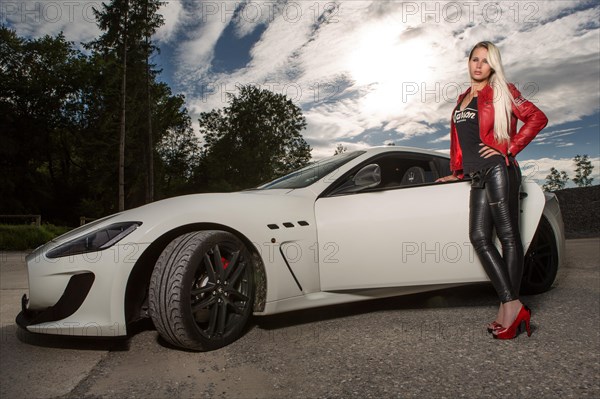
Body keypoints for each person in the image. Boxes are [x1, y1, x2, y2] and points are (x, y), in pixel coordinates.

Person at [436, 41, 548, 339]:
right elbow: (464, 142)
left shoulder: (503, 91)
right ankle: (513, 305)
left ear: (492, 65)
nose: (478, 65)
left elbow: (537, 118)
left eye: (485, 61)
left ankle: (508, 309)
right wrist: (456, 172)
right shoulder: (462, 99)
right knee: (479, 237)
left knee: (509, 237)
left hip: (500, 169)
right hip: (477, 174)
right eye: (474, 59)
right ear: (469, 62)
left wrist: (509, 148)